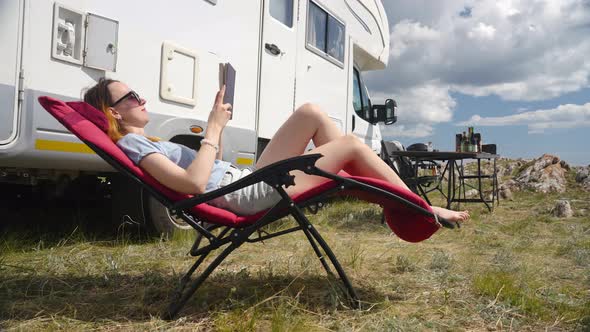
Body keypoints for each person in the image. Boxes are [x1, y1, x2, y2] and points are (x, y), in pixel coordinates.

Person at [83, 78, 469, 221]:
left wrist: (216, 133)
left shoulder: (146, 141)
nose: (142, 98)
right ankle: (418, 205)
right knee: (350, 145)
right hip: (246, 195)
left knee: (311, 113)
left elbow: (206, 171)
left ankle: (364, 187)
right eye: (132, 96)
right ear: (114, 111)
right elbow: (194, 185)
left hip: (242, 180)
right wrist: (213, 129)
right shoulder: (132, 142)